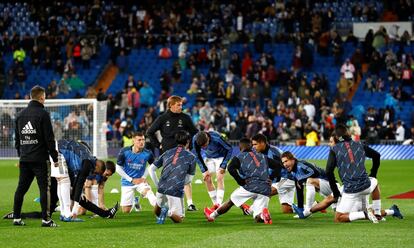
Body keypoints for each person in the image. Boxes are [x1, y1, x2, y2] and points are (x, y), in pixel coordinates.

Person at [303, 136, 403, 220]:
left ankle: (390, 211)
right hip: (350, 185)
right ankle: (306, 212)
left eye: (331, 142)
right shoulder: (344, 152)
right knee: (330, 198)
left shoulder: (340, 152)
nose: (329, 144)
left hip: (357, 187)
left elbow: (330, 170)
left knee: (357, 212)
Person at [203, 138, 281, 224]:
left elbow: (230, 168)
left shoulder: (239, 157)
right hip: (265, 188)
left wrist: (240, 181)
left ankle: (211, 216)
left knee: (230, 202)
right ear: (251, 146)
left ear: (240, 147)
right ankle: (263, 215)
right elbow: (278, 165)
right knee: (257, 217)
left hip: (250, 186)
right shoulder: (262, 156)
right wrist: (272, 177)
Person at [13, 85, 59, 227]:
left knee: (21, 189)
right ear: (41, 97)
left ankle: (16, 218)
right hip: (40, 159)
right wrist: (54, 157)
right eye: (44, 97)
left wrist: (21, 156)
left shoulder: (20, 115)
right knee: (44, 188)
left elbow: (17, 140)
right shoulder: (43, 114)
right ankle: (46, 220)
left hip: (25, 159)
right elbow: (49, 138)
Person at [146, 95, 199, 211]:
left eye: (181, 104)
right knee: (167, 176)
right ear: (171, 105)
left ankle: (190, 203)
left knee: (183, 176)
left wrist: (190, 146)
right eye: (178, 105)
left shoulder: (185, 118)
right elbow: (149, 132)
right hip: (167, 153)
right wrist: (158, 145)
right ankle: (165, 203)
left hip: (183, 153)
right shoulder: (162, 118)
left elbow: (195, 132)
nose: (181, 107)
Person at [326, 124, 382, 223]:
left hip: (351, 190)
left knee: (338, 218)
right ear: (348, 133)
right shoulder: (360, 144)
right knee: (375, 182)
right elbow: (377, 155)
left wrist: (335, 192)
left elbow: (328, 171)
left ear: (336, 137)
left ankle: (364, 214)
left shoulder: (334, 149)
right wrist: (373, 174)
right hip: (366, 186)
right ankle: (377, 213)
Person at [57, 140, 118, 219]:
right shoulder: (88, 164)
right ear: (96, 167)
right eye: (96, 172)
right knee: (63, 184)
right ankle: (63, 213)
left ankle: (106, 214)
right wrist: (75, 209)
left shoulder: (89, 159)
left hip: (60, 152)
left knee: (73, 192)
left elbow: (78, 180)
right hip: (58, 152)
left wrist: (79, 194)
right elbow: (80, 183)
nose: (94, 173)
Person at [148, 131, 196, 224]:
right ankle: (169, 212)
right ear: (188, 141)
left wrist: (158, 184)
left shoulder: (167, 152)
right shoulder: (191, 157)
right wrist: (179, 182)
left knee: (158, 205)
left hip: (161, 187)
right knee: (180, 218)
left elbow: (151, 169)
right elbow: (189, 180)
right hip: (176, 189)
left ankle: (160, 214)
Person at [280, 151, 334, 219]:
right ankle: (309, 208)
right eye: (283, 162)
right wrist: (300, 209)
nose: (284, 164)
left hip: (332, 185)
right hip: (325, 190)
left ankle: (307, 211)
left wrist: (301, 180)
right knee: (339, 212)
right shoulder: (293, 172)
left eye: (286, 161)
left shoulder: (301, 164)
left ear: (293, 159)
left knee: (309, 181)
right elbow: (299, 190)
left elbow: (315, 172)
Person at [251, 134, 295, 213]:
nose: (253, 146)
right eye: (252, 144)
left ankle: (254, 211)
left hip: (287, 178)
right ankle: (315, 205)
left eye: (255, 144)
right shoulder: (257, 153)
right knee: (287, 210)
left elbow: (284, 165)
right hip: (279, 180)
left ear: (262, 143)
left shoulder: (275, 152)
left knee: (266, 191)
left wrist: (270, 179)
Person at [116, 132, 157, 213]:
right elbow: (118, 168)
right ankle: (135, 201)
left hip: (140, 181)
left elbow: (152, 166)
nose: (142, 142)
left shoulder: (148, 153)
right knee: (126, 211)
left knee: (149, 192)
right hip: (127, 182)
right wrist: (131, 180)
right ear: (133, 141)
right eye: (139, 140)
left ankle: (162, 210)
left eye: (143, 140)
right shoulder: (124, 151)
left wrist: (144, 177)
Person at [192, 131, 233, 208]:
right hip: (209, 157)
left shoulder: (217, 138)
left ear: (208, 138)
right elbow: (197, 154)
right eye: (202, 146)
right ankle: (215, 205)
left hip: (221, 156)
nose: (204, 147)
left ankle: (218, 203)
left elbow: (229, 149)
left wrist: (223, 165)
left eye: (205, 145)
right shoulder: (195, 139)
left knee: (219, 177)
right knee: (207, 178)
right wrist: (204, 170)